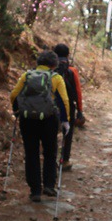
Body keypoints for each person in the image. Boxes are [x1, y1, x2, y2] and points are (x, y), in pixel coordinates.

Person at [10, 51, 71, 202]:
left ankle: (35, 190)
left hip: (27, 119)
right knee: (50, 151)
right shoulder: (56, 78)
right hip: (48, 119)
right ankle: (49, 185)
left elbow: (14, 95)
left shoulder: (27, 76)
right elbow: (64, 101)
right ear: (54, 64)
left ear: (38, 63)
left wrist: (17, 110)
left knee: (31, 152)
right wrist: (65, 121)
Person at [53, 43, 84, 172]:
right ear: (68, 55)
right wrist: (80, 111)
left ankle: (51, 159)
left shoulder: (50, 69)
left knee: (52, 133)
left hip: (51, 105)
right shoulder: (72, 70)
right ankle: (65, 160)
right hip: (68, 106)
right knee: (68, 133)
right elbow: (77, 92)